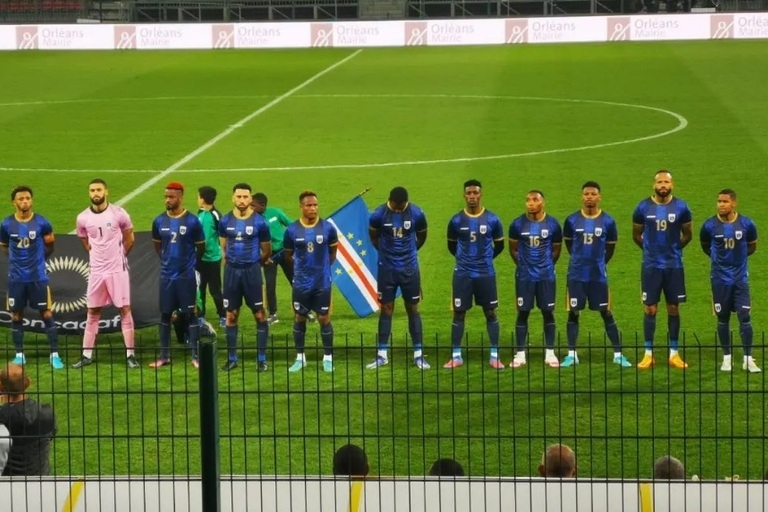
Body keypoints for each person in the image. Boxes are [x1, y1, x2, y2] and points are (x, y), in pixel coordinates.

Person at [561, 182, 631, 368]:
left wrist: (598, 262)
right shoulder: (571, 220)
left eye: (593, 194)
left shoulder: (608, 221)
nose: (589, 197)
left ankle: (618, 354)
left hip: (598, 275)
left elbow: (610, 248)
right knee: (573, 312)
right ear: (582, 197)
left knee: (606, 312)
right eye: (586, 194)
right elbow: (569, 245)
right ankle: (571, 354)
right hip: (576, 274)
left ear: (599, 197)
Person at [72, 179, 140, 369]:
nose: (95, 193)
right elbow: (85, 242)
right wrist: (98, 257)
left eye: (99, 189)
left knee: (124, 309)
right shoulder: (82, 218)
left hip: (117, 270)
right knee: (93, 311)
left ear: (106, 191)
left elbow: (130, 237)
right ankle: (86, 355)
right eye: (92, 190)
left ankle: (130, 355)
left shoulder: (119, 213)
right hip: (96, 271)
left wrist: (118, 257)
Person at [632, 170, 692, 370]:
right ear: (654, 185)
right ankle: (648, 353)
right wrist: (651, 251)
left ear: (672, 185)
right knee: (650, 308)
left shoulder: (682, 207)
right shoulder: (642, 207)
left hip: (673, 265)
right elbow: (636, 235)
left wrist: (672, 250)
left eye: (666, 181)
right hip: (651, 266)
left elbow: (687, 235)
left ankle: (674, 353)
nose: (663, 185)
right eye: (660, 182)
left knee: (673, 307)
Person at [366, 186, 430, 370]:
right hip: (387, 269)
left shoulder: (416, 213)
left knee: (412, 308)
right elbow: (373, 237)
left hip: (409, 268)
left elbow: (422, 235)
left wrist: (409, 251)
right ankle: (382, 354)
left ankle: (418, 354)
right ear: (390, 201)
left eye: (403, 206)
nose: (400, 208)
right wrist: (387, 253)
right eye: (397, 206)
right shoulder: (378, 214)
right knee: (386, 308)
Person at [0, 186, 63, 369]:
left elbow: (50, 244)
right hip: (17, 278)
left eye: (28, 198)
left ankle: (54, 354)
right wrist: (16, 260)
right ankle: (20, 355)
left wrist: (40, 260)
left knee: (46, 313)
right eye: (21, 199)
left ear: (32, 200)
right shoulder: (6, 224)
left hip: (38, 277)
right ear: (14, 202)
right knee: (16, 315)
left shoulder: (42, 223)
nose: (25, 201)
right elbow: (4, 246)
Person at [444, 180, 505, 369]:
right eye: (468, 193)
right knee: (459, 313)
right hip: (463, 273)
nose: (472, 196)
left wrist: (485, 259)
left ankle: (494, 355)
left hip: (485, 273)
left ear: (481, 195)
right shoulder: (455, 221)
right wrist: (465, 261)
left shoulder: (493, 219)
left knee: (490, 312)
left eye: (475, 193)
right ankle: (456, 356)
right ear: (464, 195)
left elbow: (500, 245)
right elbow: (451, 246)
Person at [699, 189, 760, 373]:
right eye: (719, 201)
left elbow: (752, 246)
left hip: (740, 279)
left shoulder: (746, 224)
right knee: (723, 318)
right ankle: (727, 358)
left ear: (734, 203)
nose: (721, 205)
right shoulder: (709, 225)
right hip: (719, 279)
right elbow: (705, 246)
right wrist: (721, 261)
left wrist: (737, 261)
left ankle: (748, 359)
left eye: (725, 201)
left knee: (744, 317)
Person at [150, 182, 205, 369]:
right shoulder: (159, 221)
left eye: (171, 197)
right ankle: (164, 355)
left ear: (180, 197)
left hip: (185, 276)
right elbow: (158, 245)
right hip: (166, 276)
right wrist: (168, 261)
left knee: (190, 315)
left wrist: (188, 264)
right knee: (165, 315)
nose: (167, 200)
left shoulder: (192, 221)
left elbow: (201, 246)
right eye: (166, 196)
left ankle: (195, 355)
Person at [219, 183, 272, 372]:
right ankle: (232, 358)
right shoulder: (225, 221)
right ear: (233, 198)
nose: (242, 200)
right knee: (231, 315)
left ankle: (261, 359)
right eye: (239, 197)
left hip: (252, 272)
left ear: (250, 199)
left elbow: (267, 250)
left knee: (259, 314)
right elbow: (223, 247)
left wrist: (254, 264)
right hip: (232, 273)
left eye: (245, 197)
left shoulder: (260, 222)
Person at [283, 191, 339, 373]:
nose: (313, 208)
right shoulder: (291, 230)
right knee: (299, 317)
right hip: (301, 284)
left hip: (322, 282)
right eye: (308, 205)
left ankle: (328, 357)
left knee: (324, 318)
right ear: (301, 207)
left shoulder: (328, 228)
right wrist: (303, 269)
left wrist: (320, 268)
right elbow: (288, 255)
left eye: (315, 205)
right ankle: (300, 358)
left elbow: (332, 253)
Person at [508, 190, 563, 369]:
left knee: (548, 312)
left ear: (542, 203)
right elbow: (513, 249)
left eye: (535, 200)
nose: (531, 203)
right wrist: (524, 266)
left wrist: (545, 265)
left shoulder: (553, 224)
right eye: (528, 200)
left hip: (546, 276)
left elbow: (556, 250)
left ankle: (550, 352)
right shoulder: (517, 224)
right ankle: (520, 353)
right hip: (524, 277)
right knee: (523, 312)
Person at [0, 363, 56, 476]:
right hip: (41, 480)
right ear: (28, 382)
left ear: (2, 388)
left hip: (9, 484)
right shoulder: (47, 412)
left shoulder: (2, 416)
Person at [251, 193, 295, 326]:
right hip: (268, 256)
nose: (250, 207)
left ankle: (304, 310)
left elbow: (292, 225)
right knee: (270, 285)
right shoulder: (253, 220)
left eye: (253, 205)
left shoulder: (275, 212)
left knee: (295, 281)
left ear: (262, 205)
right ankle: (273, 314)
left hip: (285, 252)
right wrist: (262, 257)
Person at [197, 186, 225, 327]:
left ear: (203, 199)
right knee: (200, 288)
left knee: (214, 289)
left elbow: (221, 235)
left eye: (198, 197)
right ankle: (201, 316)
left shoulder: (215, 215)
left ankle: (223, 315)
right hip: (200, 258)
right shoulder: (200, 214)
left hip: (212, 259)